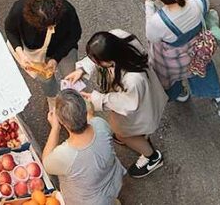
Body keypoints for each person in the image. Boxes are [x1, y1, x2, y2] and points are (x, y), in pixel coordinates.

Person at [66, 31, 167, 177]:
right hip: (141, 99)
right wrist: (82, 70)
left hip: (136, 110)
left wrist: (97, 99)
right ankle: (133, 138)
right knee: (124, 130)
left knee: (124, 134)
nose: (96, 63)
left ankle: (152, 157)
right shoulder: (119, 39)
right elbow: (99, 55)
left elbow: (127, 103)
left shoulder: (133, 80)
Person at [144, 0, 220, 116]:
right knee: (205, 71)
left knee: (167, 78)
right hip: (197, 52)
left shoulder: (158, 22)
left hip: (171, 62)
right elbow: (200, 6)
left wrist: (149, 5)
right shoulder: (199, 0)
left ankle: (180, 93)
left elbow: (152, 37)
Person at [42, 91, 124, 205]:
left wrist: (55, 128)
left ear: (62, 122)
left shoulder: (64, 155)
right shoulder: (100, 124)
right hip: (113, 182)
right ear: (85, 111)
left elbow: (46, 163)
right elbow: (92, 119)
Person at [5, 0, 82, 107]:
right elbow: (10, 30)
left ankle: (74, 102)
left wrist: (56, 58)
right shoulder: (18, 10)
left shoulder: (67, 11)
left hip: (63, 48)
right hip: (35, 53)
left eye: (53, 25)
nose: (51, 29)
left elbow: (75, 34)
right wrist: (21, 54)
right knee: (45, 79)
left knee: (71, 75)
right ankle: (52, 98)